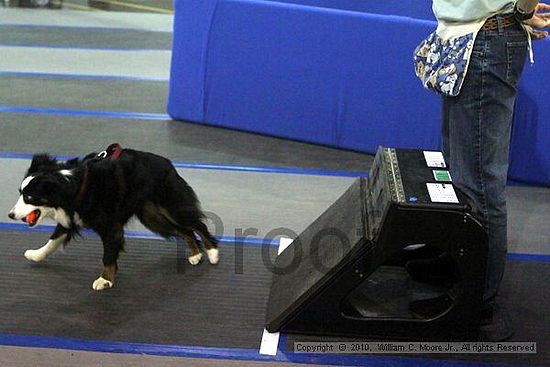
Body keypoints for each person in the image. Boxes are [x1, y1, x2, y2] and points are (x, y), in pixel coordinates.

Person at [411, 1, 550, 341]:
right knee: (458, 171)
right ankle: (455, 264)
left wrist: (518, 10)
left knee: (480, 185)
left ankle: (476, 305)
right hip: (469, 37)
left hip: (485, 41)